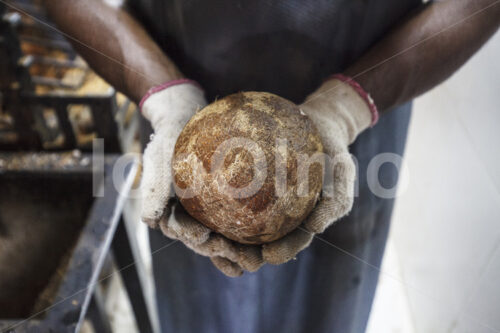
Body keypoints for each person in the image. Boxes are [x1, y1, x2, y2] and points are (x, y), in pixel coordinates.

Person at [45, 0, 499, 332]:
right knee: (203, 306)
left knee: (327, 303)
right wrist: (164, 95)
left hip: (361, 108)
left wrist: (345, 108)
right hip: (179, 100)